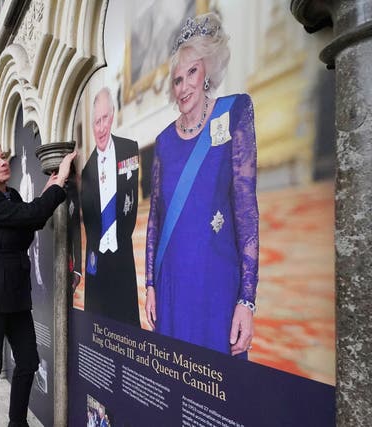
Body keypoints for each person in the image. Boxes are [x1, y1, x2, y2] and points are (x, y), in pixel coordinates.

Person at [145, 13, 258, 356]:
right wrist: (150, 285)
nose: (184, 87)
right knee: (174, 388)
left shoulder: (235, 111)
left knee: (220, 395)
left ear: (208, 69)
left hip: (217, 289)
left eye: (191, 72)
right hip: (172, 289)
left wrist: (247, 301)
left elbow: (246, 213)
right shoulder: (164, 141)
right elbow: (155, 220)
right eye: (177, 80)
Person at [0, 140, 76, 427]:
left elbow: (30, 223)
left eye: (3, 157)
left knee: (28, 361)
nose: (3, 163)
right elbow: (31, 217)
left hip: (14, 293)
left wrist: (44, 198)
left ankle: (17, 423)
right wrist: (58, 183)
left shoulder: (10, 195)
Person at [81, 87, 140, 327]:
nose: (101, 127)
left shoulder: (129, 150)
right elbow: (89, 222)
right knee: (99, 325)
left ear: (112, 116)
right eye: (97, 121)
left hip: (122, 252)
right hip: (97, 259)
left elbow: (132, 200)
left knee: (126, 323)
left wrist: (120, 239)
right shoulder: (86, 171)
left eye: (105, 119)